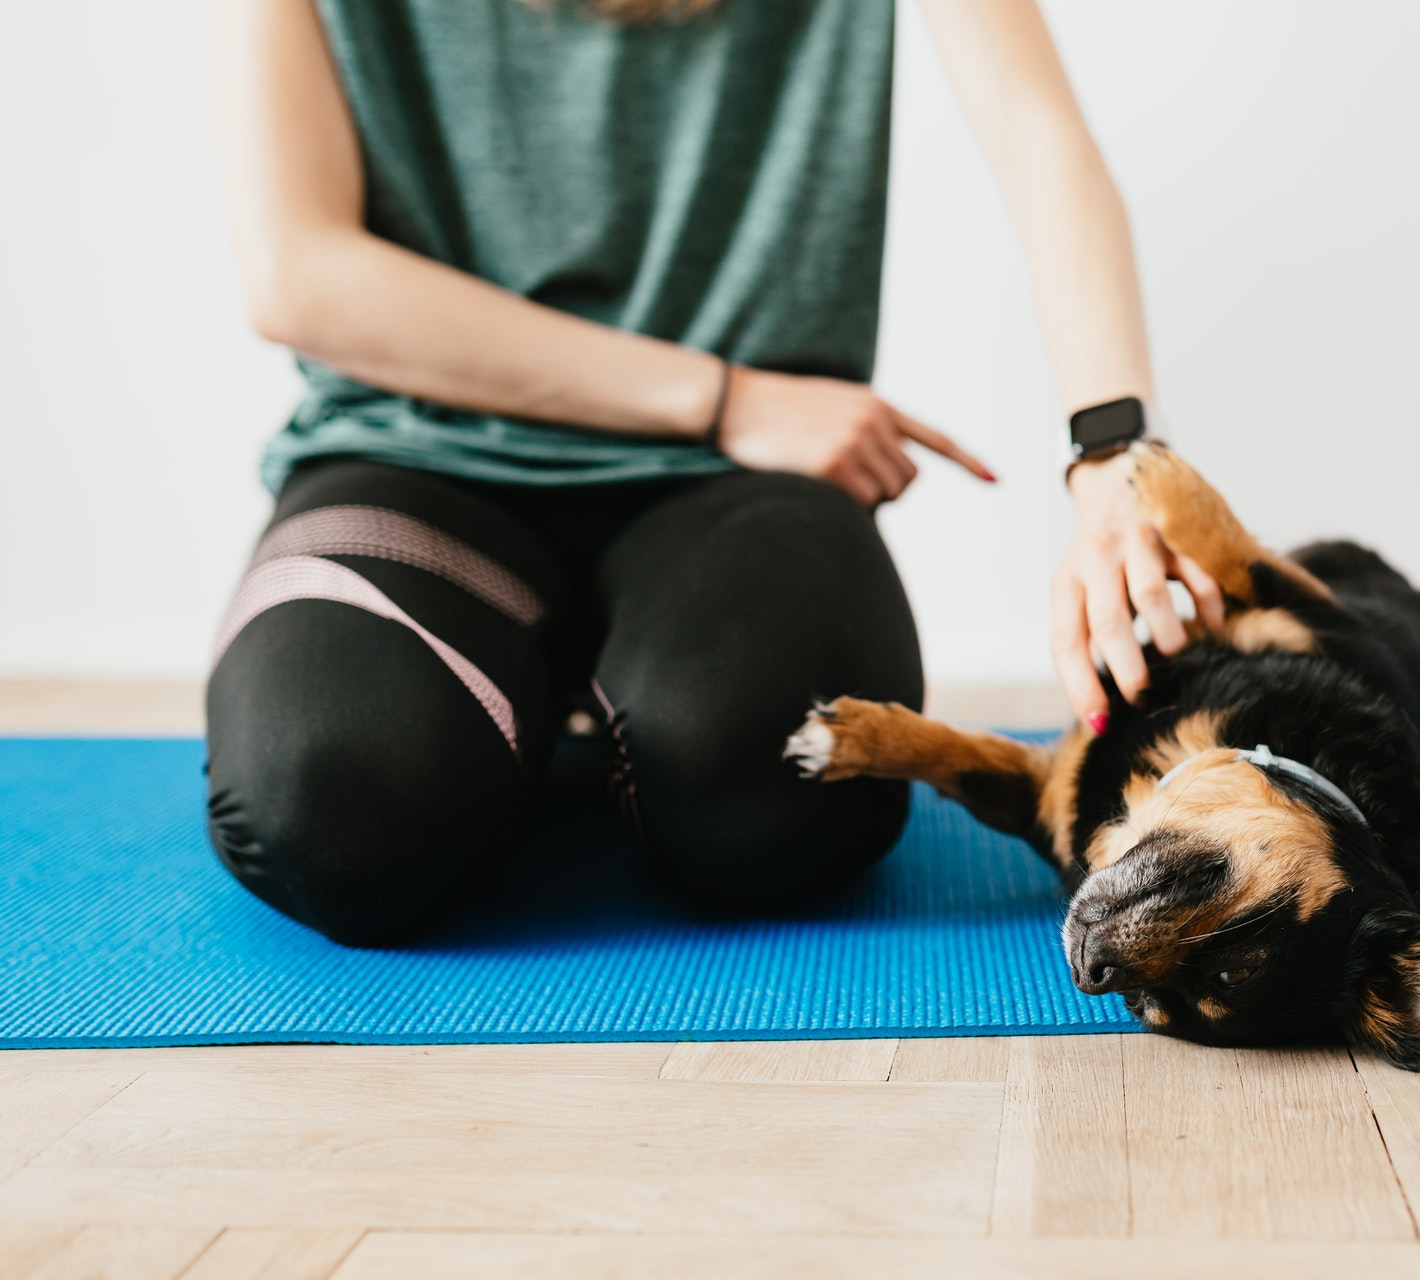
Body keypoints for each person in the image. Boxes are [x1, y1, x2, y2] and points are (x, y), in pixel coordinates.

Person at [208, 0, 1223, 946]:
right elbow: (298, 270)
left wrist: (1115, 460)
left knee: (779, 789)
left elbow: (1037, 136)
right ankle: (524, 721)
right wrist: (724, 394)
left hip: (734, 484)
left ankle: (577, 725)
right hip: (414, 457)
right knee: (337, 806)